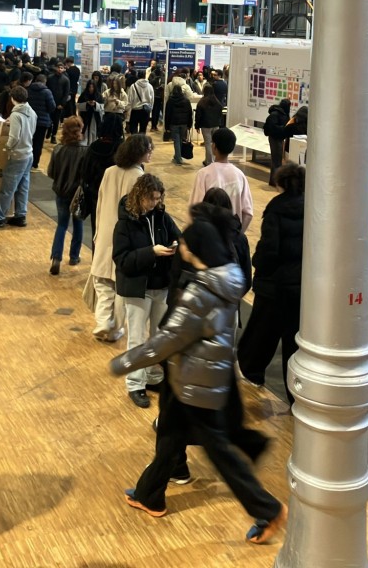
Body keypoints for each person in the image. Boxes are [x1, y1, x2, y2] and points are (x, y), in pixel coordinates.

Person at [109, 217, 286, 544]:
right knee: (170, 435)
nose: (182, 247)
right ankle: (150, 494)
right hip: (200, 376)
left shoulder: (200, 293)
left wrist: (124, 362)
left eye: (186, 243)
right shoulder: (226, 277)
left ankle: (268, 509)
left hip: (195, 383)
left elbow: (166, 341)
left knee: (219, 452)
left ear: (196, 249)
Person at [237, 163, 305, 400]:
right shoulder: (312, 207)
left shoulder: (276, 209)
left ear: (280, 183)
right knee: (294, 342)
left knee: (262, 333)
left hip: (274, 286)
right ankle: (295, 393)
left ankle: (253, 373)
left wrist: (257, 262)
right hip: (300, 286)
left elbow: (269, 249)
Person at [112, 173, 180, 409]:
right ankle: (135, 384)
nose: (155, 203)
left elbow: (179, 238)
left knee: (158, 337)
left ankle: (152, 376)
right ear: (139, 195)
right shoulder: (124, 224)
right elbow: (122, 260)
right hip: (137, 289)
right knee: (137, 339)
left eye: (158, 198)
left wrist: (175, 247)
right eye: (151, 198)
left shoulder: (163, 217)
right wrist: (151, 252)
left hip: (161, 286)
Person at [90, 134, 153, 342]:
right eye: (148, 149)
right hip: (126, 236)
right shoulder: (139, 177)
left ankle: (102, 321)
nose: (150, 153)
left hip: (104, 231)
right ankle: (114, 328)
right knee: (121, 286)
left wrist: (97, 231)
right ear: (139, 152)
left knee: (102, 282)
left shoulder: (109, 172)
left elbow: (99, 203)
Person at [189, 127, 253, 232]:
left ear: (214, 146)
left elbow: (195, 208)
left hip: (209, 235)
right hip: (232, 233)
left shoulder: (204, 174)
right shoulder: (240, 175)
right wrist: (238, 235)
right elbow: (248, 213)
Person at [0, 86, 37, 228]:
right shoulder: (32, 112)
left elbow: (14, 137)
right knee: (23, 186)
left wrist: (7, 147)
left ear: (12, 98)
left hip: (17, 155)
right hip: (28, 154)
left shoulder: (16, 115)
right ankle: (20, 215)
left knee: (7, 188)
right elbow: (31, 131)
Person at [47, 116, 86, 275]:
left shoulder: (58, 149)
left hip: (61, 191)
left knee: (62, 225)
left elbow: (50, 172)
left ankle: (56, 258)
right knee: (78, 223)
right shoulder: (85, 151)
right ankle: (74, 256)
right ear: (80, 130)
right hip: (77, 193)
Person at [79, 116, 123, 241]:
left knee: (97, 231)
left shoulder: (93, 147)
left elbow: (85, 173)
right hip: (116, 196)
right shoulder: (122, 149)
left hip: (95, 195)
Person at [26, 73, 56, 169]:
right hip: (42, 122)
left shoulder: (28, 90)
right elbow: (52, 107)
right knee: (38, 144)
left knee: (29, 142)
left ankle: (27, 162)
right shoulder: (47, 92)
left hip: (29, 120)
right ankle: (35, 163)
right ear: (45, 82)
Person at [164, 78, 193, 166]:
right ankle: (177, 156)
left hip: (174, 123)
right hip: (184, 123)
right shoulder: (186, 100)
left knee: (176, 140)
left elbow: (167, 114)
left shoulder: (170, 101)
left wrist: (166, 126)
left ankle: (178, 158)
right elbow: (190, 113)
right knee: (180, 139)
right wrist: (190, 124)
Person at [263, 98, 291, 186]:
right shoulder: (276, 114)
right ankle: (275, 181)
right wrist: (283, 129)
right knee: (277, 160)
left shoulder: (280, 113)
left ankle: (274, 181)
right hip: (275, 139)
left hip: (278, 138)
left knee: (276, 160)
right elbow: (273, 128)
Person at [194, 84, 224, 167]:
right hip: (216, 124)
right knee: (215, 143)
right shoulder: (217, 101)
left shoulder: (202, 102)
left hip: (206, 125)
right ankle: (213, 160)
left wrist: (197, 126)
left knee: (207, 143)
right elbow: (220, 112)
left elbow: (198, 115)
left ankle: (209, 161)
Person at [46, 63, 71, 144]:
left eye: (61, 68)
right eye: (58, 67)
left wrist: (62, 104)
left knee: (56, 120)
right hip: (50, 102)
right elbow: (47, 90)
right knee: (49, 118)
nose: (60, 69)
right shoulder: (50, 78)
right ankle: (49, 129)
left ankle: (53, 136)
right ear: (55, 68)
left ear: (63, 69)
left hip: (59, 103)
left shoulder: (66, 79)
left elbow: (66, 93)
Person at [77, 81, 104, 146]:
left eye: (92, 87)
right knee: (85, 131)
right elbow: (78, 105)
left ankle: (93, 144)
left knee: (93, 131)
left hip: (95, 117)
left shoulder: (98, 95)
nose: (91, 89)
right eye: (89, 87)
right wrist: (87, 104)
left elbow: (102, 107)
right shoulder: (83, 95)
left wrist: (95, 104)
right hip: (85, 116)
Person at [127, 70, 154, 135]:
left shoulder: (133, 86)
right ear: (145, 76)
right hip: (145, 111)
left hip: (135, 111)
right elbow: (152, 100)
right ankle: (141, 141)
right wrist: (150, 110)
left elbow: (130, 100)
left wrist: (128, 115)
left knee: (133, 130)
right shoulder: (150, 86)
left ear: (137, 76)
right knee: (143, 131)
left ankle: (134, 141)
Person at [149, 67, 165, 132]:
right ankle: (153, 126)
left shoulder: (163, 74)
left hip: (160, 95)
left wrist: (162, 86)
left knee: (158, 111)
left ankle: (155, 125)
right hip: (154, 95)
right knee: (154, 111)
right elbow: (150, 82)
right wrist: (156, 78)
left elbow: (164, 82)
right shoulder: (152, 74)